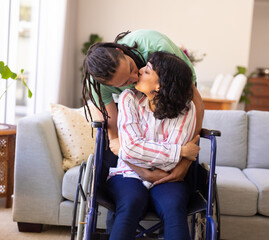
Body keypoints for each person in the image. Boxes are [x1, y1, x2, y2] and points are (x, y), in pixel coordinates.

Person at [82, 29, 204, 184]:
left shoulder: (153, 45)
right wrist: (145, 174)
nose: (135, 77)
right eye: (125, 83)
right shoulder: (99, 87)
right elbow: (116, 139)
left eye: (132, 68)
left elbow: (197, 104)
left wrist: (184, 164)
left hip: (177, 89)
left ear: (121, 51)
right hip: (138, 107)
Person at [106, 51, 200, 240]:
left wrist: (136, 150)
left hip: (167, 177)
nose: (140, 71)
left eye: (148, 70)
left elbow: (168, 165)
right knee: (130, 203)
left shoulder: (187, 109)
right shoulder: (128, 98)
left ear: (160, 85)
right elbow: (131, 148)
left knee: (173, 207)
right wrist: (180, 151)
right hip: (128, 173)